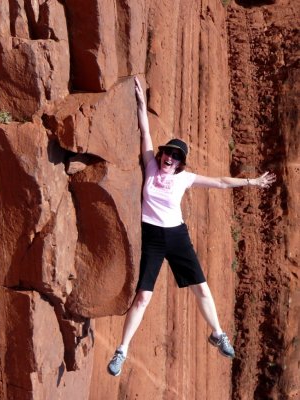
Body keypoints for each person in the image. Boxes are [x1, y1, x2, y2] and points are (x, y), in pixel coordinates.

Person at [107, 77, 276, 377]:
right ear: (161, 154)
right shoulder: (149, 163)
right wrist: (141, 103)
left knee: (201, 288)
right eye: (168, 153)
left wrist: (253, 182)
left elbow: (221, 183)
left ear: (181, 163)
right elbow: (145, 131)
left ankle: (217, 333)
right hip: (153, 238)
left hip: (176, 236)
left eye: (176, 157)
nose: (170, 159)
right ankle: (122, 351)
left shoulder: (185, 178)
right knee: (143, 297)